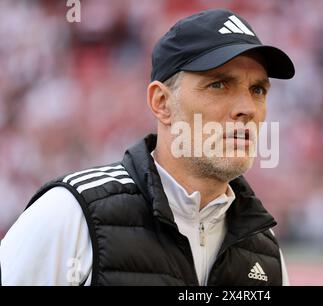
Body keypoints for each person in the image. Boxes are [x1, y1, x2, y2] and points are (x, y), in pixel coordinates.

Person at [0, 8, 295, 286]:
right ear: (161, 103)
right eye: (218, 84)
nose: (247, 108)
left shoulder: (265, 251)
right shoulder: (71, 214)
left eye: (258, 90)